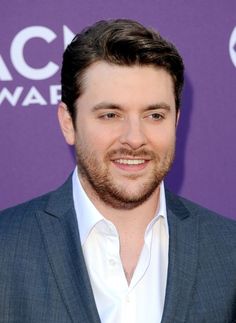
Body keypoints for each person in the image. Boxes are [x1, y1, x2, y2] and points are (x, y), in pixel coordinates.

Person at [0, 19, 235, 323]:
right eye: (111, 114)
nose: (135, 138)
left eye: (154, 115)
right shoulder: (6, 248)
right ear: (68, 122)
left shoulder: (228, 250)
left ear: (176, 121)